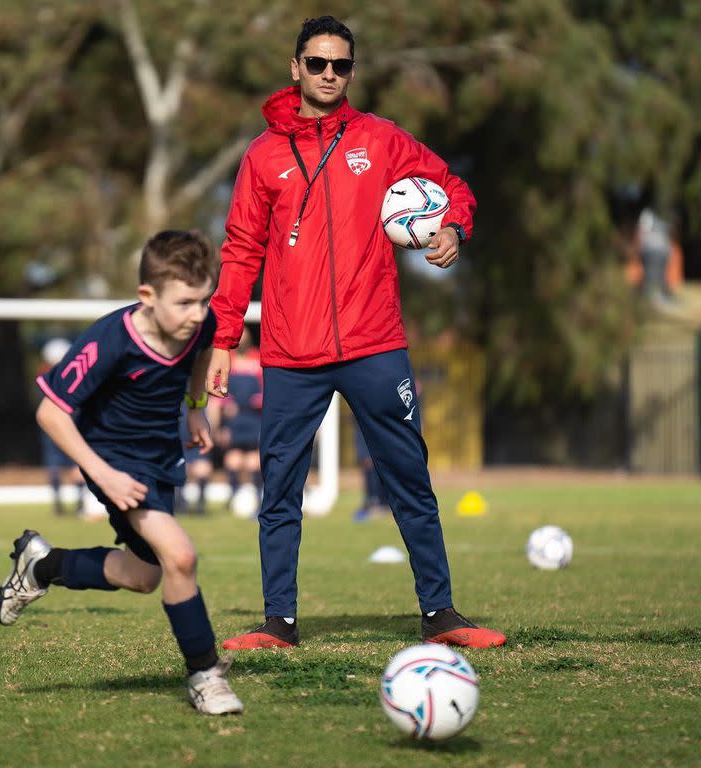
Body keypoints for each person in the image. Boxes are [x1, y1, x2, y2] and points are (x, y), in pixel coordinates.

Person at [206, 16, 506, 650]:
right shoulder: (263, 156)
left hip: (375, 345)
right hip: (290, 350)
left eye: (341, 65)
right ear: (295, 68)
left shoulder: (382, 139)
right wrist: (224, 338)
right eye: (317, 63)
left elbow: (453, 186)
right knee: (280, 487)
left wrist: (453, 227)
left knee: (409, 479)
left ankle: (442, 616)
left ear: (351, 71)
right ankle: (279, 624)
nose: (329, 75)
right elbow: (239, 251)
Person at [0, 230, 243, 715]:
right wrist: (102, 475)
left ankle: (42, 565)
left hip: (162, 459)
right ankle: (206, 676)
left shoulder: (201, 323)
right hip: (115, 463)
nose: (197, 313)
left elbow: (201, 355)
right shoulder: (110, 340)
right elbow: (50, 413)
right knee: (181, 557)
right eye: (185, 302)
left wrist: (195, 408)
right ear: (146, 296)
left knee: (146, 575)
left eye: (203, 300)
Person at [216, 327, 264, 513]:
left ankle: (259, 497)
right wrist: (221, 421)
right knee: (233, 459)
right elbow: (218, 390)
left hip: (253, 417)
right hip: (234, 420)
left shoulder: (257, 357)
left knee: (254, 460)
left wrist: (260, 401)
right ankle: (233, 496)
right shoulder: (228, 359)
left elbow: (265, 387)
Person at [38, 338, 86, 517]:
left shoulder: (47, 376)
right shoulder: (64, 376)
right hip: (63, 428)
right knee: (61, 464)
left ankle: (73, 501)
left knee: (72, 464)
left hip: (65, 428)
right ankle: (66, 502)